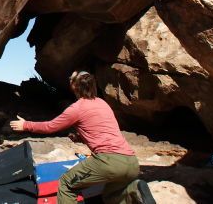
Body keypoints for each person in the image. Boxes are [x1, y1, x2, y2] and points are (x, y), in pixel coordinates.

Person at [9, 71, 155, 204]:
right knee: (112, 196)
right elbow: (103, 129)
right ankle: (134, 189)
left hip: (109, 162)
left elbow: (50, 126)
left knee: (66, 184)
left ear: (74, 86)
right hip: (131, 162)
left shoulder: (76, 108)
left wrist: (26, 125)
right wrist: (80, 137)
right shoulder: (102, 103)